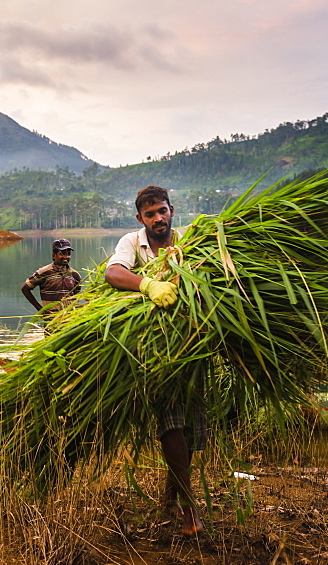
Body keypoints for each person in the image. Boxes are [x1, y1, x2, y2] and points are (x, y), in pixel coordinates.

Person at [104, 185, 206, 537]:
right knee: (172, 422)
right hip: (155, 349)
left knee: (191, 427)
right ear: (140, 218)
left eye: (162, 211)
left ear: (171, 210)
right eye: (150, 214)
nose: (158, 218)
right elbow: (113, 274)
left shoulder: (189, 240)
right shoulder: (132, 242)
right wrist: (147, 285)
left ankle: (169, 495)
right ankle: (190, 506)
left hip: (192, 343)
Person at [21, 238, 82, 314]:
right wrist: (40, 310)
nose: (66, 257)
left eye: (68, 254)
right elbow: (25, 289)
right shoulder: (44, 272)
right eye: (62, 253)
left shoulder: (75, 275)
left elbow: (75, 296)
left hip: (69, 320)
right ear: (54, 255)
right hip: (51, 320)